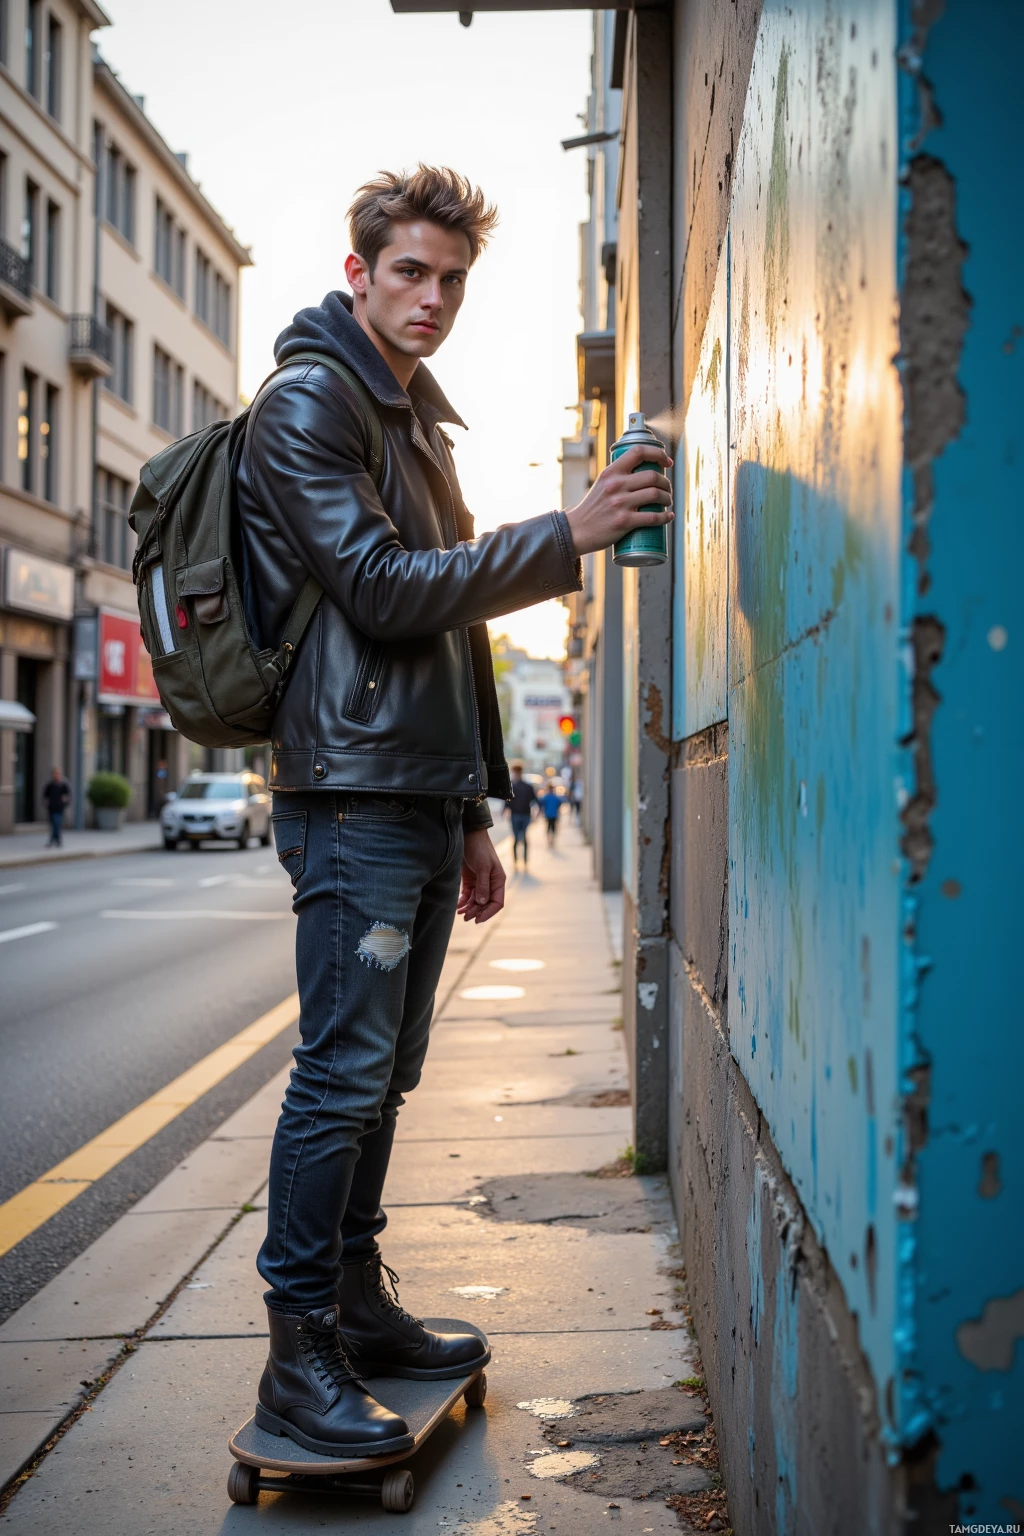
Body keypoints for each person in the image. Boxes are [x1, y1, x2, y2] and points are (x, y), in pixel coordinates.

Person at [236, 165, 673, 1457]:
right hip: (351, 794)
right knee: (341, 1074)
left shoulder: (408, 415)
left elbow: (454, 638)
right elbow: (378, 590)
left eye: (452, 279)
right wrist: (572, 531)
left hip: (414, 793)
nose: (433, 298)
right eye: (410, 272)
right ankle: (295, 1355)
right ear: (360, 269)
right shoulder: (313, 400)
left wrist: (475, 805)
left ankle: (357, 1303)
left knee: (386, 1075)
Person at [507, 762, 537, 866]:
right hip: (516, 814)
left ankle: (524, 860)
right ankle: (516, 860)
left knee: (523, 837)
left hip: (524, 815)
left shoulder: (527, 787)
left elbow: (534, 800)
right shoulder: (512, 786)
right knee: (516, 838)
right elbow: (507, 802)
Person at [42, 767, 71, 847]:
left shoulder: (64, 785)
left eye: (58, 774)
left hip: (60, 808)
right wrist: (46, 802)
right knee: (54, 825)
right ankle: (57, 840)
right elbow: (45, 795)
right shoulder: (50, 785)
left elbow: (68, 796)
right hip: (51, 808)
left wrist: (65, 800)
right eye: (55, 774)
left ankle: (53, 840)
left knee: (57, 824)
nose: (56, 775)